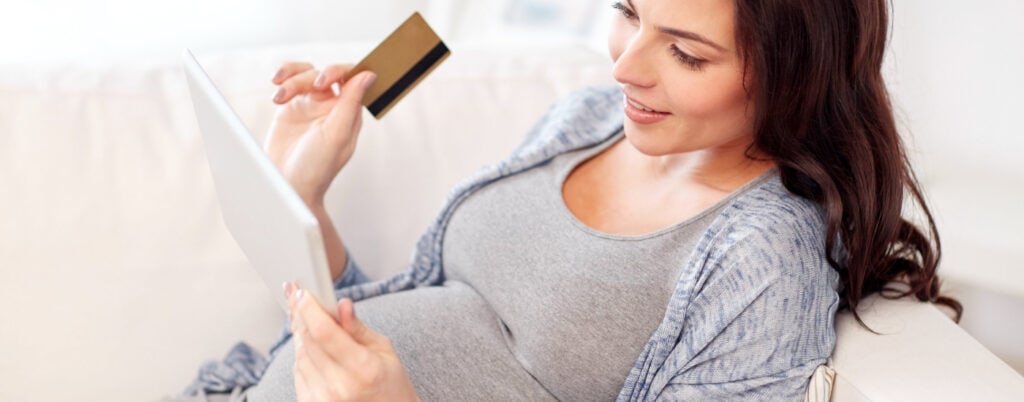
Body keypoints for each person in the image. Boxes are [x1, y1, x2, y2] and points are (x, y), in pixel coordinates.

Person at [182, 0, 961, 400]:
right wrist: (303, 197)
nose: (626, 66)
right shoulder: (588, 121)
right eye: (627, 11)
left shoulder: (762, 262)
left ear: (797, 70)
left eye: (685, 52)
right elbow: (411, 315)